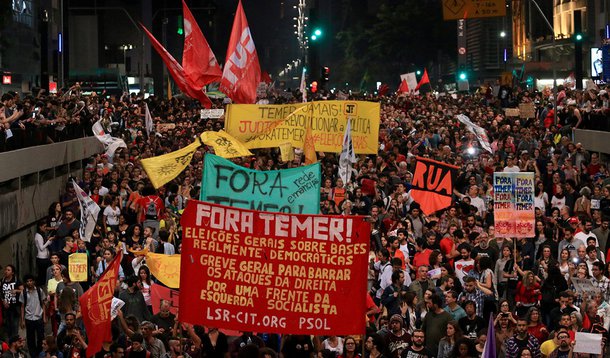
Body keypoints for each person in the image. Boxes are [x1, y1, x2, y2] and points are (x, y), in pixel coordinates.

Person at [20, 274, 46, 357]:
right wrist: (22, 320)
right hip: (29, 318)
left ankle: (39, 353)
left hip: (38, 317)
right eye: (27, 281)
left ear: (34, 281)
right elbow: (22, 306)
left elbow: (43, 304)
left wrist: (44, 317)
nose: (29, 283)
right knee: (30, 339)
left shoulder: (39, 290)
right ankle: (33, 355)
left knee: (40, 337)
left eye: (31, 281)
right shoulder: (23, 293)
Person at [1, 265, 23, 340]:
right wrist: (3, 301)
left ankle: (15, 342)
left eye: (8, 270)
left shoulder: (16, 280)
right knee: (7, 326)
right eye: (6, 270)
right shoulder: (2, 281)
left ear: (12, 272)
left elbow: (23, 291)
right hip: (6, 307)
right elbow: (0, 293)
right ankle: (10, 343)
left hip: (15, 307)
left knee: (15, 326)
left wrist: (16, 291)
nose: (6, 271)